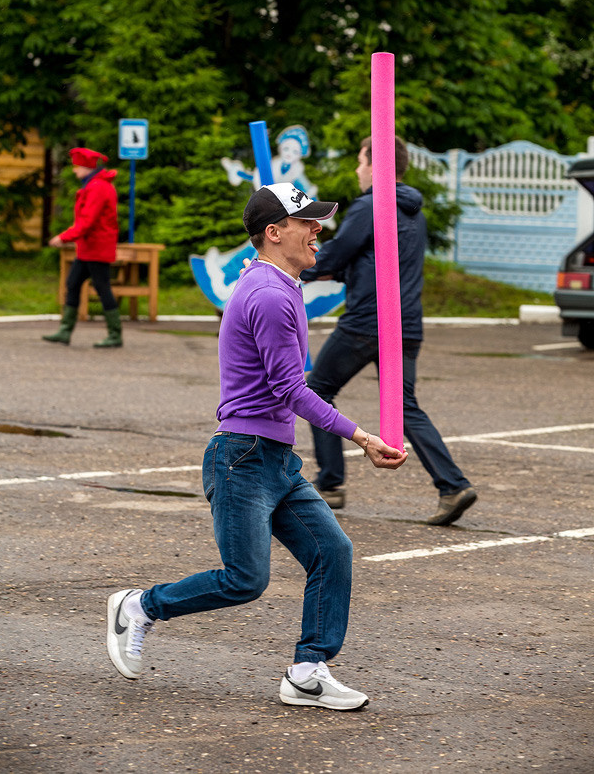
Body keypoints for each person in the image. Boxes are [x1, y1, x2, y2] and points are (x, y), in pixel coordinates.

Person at [106, 182, 407, 710]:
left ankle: (308, 671)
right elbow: (291, 390)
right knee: (246, 579)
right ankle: (141, 605)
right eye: (306, 222)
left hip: (273, 459)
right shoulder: (268, 295)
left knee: (332, 551)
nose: (318, 229)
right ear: (273, 233)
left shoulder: (279, 284)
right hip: (242, 458)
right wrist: (360, 436)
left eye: (318, 221)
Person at [301, 136, 477, 526]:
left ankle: (330, 484)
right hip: (406, 323)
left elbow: (338, 251)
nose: (357, 170)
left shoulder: (370, 206)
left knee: (317, 390)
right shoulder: (413, 211)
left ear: (374, 164)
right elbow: (366, 260)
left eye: (360, 161)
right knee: (405, 406)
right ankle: (453, 485)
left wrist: (293, 265)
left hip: (368, 321)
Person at [42, 147, 122, 348]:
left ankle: (115, 334)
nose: (74, 170)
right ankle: (65, 331)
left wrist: (64, 237)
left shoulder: (97, 187)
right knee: (73, 283)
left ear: (87, 167)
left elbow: (88, 222)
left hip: (97, 248)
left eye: (77, 166)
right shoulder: (94, 185)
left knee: (102, 288)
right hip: (88, 248)